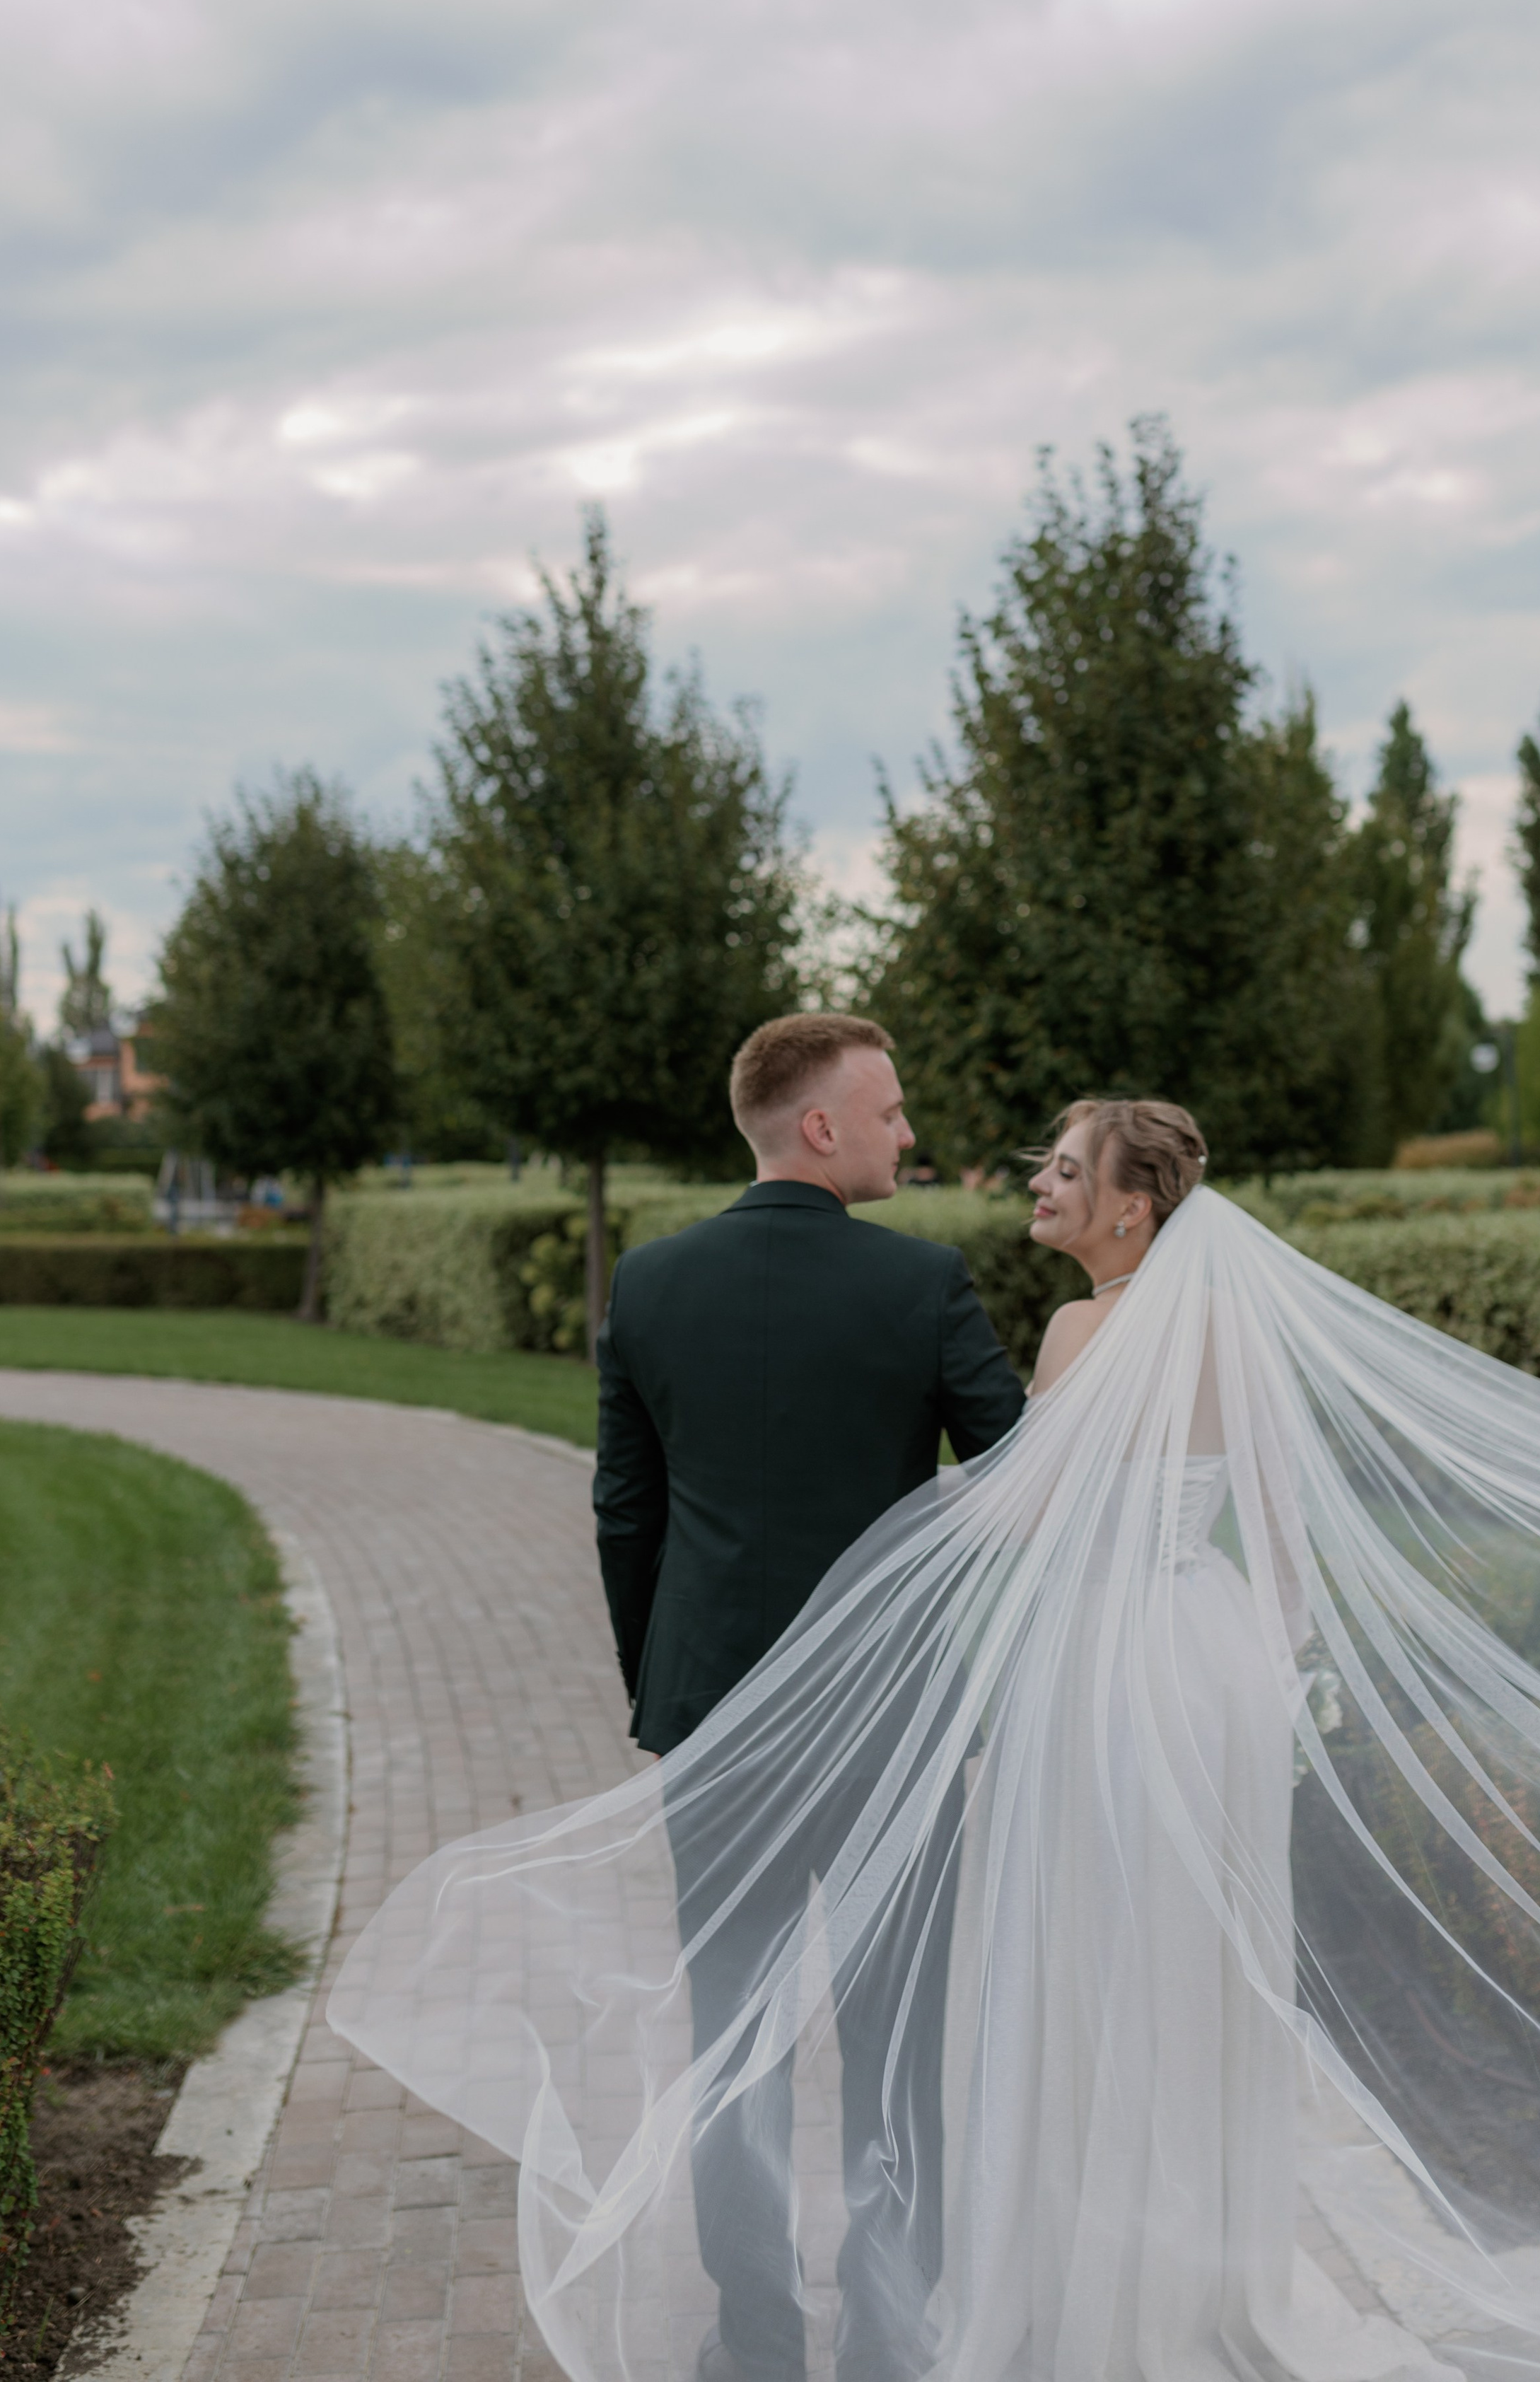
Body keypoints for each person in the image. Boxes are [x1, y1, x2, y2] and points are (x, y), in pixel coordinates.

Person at [330, 1093, 1540, 2382]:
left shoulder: (1027, 1323)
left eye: (1063, 1167)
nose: (1033, 1179)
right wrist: (1272, 1671)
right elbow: (1271, 1527)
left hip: (1067, 1671)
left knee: (997, 1985)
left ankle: (788, 2336)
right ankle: (1101, 2295)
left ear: (1128, 1206)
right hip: (1203, 1661)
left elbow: (988, 1503)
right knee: (1166, 1979)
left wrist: (785, 1609)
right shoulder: (1184, 1321)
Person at [593, 1013, 1027, 2382]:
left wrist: (667, 1690)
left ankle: (759, 2342)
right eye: (892, 1111)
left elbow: (626, 1519)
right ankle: (890, 2339)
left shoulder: (651, 1284)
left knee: (737, 2044)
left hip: (716, 1730)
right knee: (900, 2042)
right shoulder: (924, 1288)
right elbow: (1023, 1486)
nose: (912, 1132)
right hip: (892, 1729)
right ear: (822, 1127)